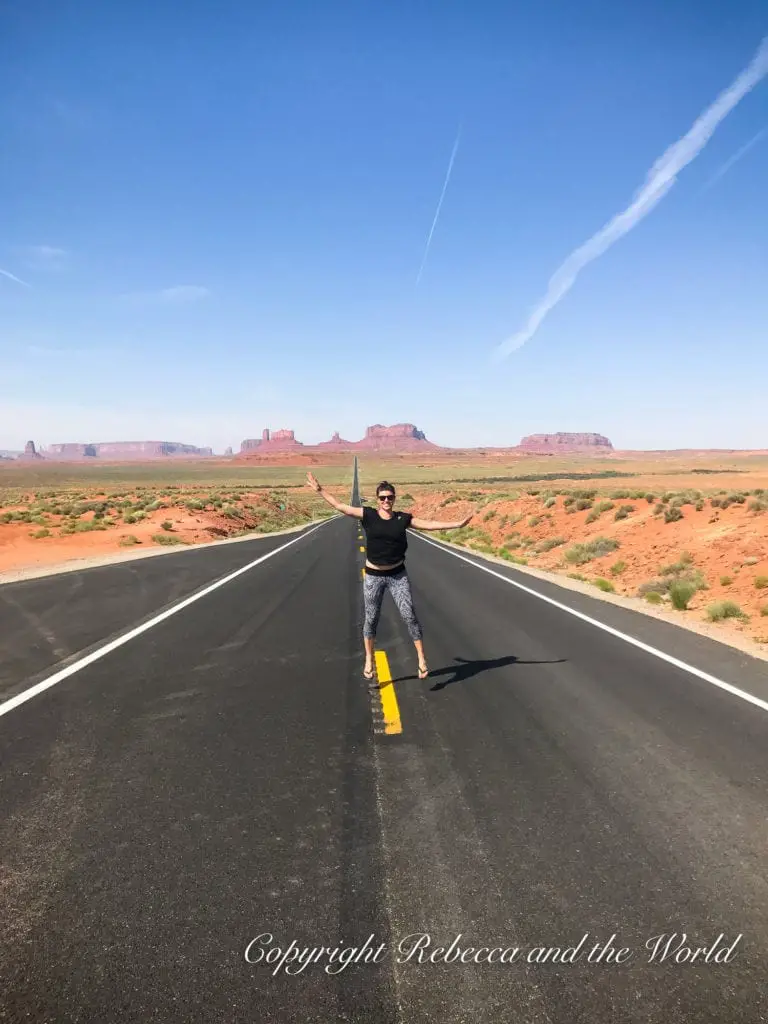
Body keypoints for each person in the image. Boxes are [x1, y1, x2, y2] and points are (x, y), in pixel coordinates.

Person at [306, 471, 473, 680]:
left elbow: (429, 525)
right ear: (377, 500)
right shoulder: (368, 515)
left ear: (394, 499)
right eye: (383, 497)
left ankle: (421, 659)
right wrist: (320, 490)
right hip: (373, 576)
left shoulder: (403, 519)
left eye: (390, 497)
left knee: (409, 615)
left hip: (397, 575)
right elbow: (341, 507)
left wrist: (456, 524)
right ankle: (369, 659)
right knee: (371, 618)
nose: (386, 500)